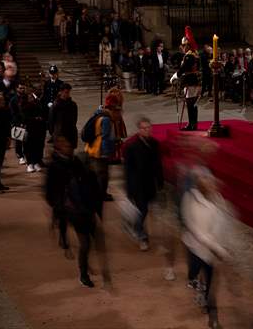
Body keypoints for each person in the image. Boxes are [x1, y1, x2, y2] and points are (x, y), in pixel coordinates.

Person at [181, 166, 231, 329]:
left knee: (211, 284)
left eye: (211, 180)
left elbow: (223, 223)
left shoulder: (218, 198)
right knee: (195, 275)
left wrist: (225, 244)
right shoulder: (191, 200)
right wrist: (219, 249)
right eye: (207, 180)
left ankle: (213, 317)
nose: (212, 183)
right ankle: (199, 289)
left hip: (211, 253)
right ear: (200, 184)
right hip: (196, 249)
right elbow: (199, 232)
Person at [65, 152, 110, 288]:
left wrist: (98, 215)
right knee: (85, 245)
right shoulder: (73, 180)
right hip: (78, 217)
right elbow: (75, 201)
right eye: (88, 163)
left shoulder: (92, 176)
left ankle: (103, 275)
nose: (91, 165)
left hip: (89, 214)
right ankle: (83, 275)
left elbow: (97, 197)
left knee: (98, 244)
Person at [122, 116, 163, 251]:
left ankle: (134, 225)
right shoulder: (131, 147)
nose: (147, 130)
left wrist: (160, 181)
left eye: (149, 128)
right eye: (144, 128)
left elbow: (158, 164)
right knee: (142, 210)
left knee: (147, 210)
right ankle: (142, 237)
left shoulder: (155, 144)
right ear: (139, 130)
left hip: (150, 184)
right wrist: (128, 189)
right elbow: (128, 170)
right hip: (137, 185)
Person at [84, 95, 120, 201]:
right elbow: (105, 137)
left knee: (97, 173)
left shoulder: (98, 113)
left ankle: (97, 193)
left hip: (91, 146)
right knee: (102, 174)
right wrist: (106, 153)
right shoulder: (106, 119)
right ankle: (101, 194)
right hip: (99, 149)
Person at [171, 26, 201, 131]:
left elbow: (183, 69)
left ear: (187, 45)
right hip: (194, 82)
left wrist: (174, 76)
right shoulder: (195, 54)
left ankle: (191, 125)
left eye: (184, 45)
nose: (182, 47)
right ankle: (193, 124)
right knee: (193, 104)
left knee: (190, 104)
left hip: (190, 82)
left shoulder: (189, 56)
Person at [49, 83, 78, 150]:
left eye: (68, 92)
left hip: (70, 133)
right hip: (59, 134)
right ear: (60, 92)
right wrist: (54, 134)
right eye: (66, 92)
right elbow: (51, 121)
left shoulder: (73, 105)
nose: (67, 94)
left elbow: (74, 120)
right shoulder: (55, 105)